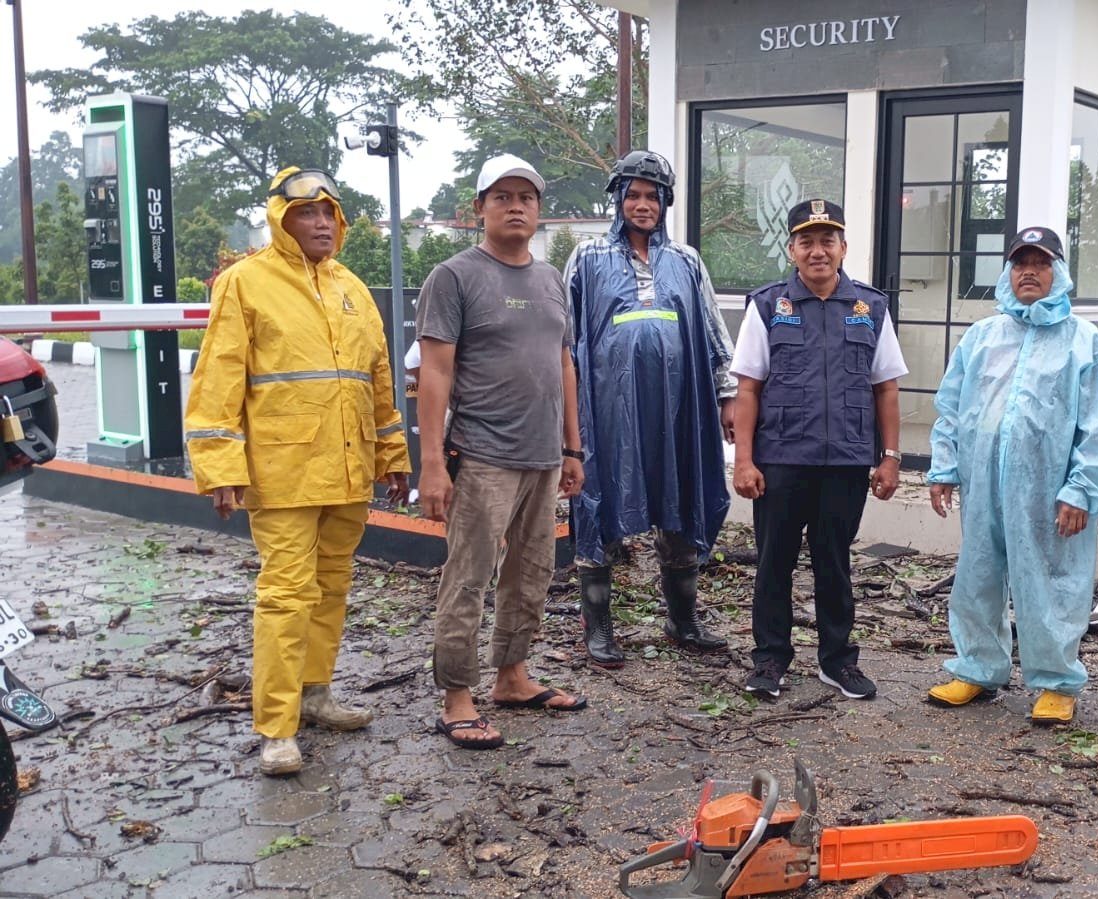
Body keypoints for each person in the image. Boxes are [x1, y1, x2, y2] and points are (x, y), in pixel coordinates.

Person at [185, 166, 410, 776]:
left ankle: (316, 695)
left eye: (328, 214)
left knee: (332, 586)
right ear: (280, 219)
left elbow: (377, 382)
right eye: (306, 214)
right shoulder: (245, 284)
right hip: (282, 472)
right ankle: (277, 728)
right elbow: (219, 378)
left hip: (347, 468)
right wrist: (220, 466)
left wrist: (392, 455)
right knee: (285, 595)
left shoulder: (353, 288)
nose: (320, 224)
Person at [416, 154, 587, 750]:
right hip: (482, 455)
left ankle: (512, 677)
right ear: (479, 208)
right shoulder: (454, 277)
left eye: (527, 198)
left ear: (539, 210)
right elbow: (435, 374)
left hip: (543, 457)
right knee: (468, 577)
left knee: (531, 573)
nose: (516, 206)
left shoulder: (549, 279)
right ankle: (457, 696)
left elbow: (563, 363)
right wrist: (432, 463)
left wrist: (573, 447)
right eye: (503, 197)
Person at [925, 227, 1098, 725]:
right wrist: (944, 467)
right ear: (1007, 272)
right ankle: (977, 667)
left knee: (1054, 579)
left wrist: (1082, 490)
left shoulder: (1085, 341)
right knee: (978, 574)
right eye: (1020, 263)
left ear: (1060, 273)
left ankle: (1056, 680)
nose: (1029, 271)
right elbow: (952, 407)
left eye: (1041, 263)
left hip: (1052, 490)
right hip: (982, 485)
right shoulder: (983, 336)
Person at [562, 150, 735, 669]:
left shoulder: (685, 261)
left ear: (665, 202)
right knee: (597, 500)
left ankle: (682, 619)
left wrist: (726, 395)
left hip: (679, 406)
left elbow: (711, 330)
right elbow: (566, 336)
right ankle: (599, 630)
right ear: (617, 199)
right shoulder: (588, 259)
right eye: (633, 195)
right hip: (607, 408)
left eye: (652, 196)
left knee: (680, 494)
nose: (642, 205)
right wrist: (565, 415)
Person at [731, 199, 908, 701]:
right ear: (791, 248)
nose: (817, 251)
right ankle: (769, 660)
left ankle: (837, 661)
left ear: (843, 247)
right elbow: (748, 388)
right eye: (806, 241)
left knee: (835, 564)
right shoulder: (768, 306)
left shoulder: (870, 308)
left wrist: (890, 457)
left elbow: (886, 388)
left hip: (846, 462)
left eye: (827, 240)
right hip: (781, 460)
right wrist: (743, 460)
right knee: (773, 564)